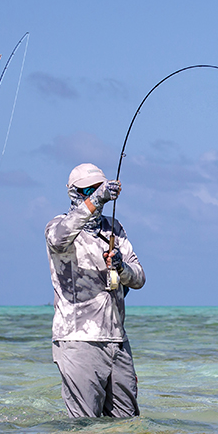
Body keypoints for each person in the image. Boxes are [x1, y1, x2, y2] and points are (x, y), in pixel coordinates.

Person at [45, 163, 145, 418]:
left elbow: (139, 278)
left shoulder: (114, 228)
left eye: (98, 188)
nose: (94, 194)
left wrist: (122, 268)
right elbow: (58, 240)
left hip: (117, 341)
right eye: (87, 190)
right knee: (84, 427)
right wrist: (96, 199)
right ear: (73, 193)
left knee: (128, 425)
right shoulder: (58, 226)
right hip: (78, 339)